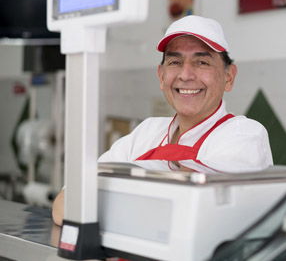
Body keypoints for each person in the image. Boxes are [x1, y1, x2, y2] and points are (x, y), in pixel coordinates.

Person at [52, 15, 273, 226]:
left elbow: (199, 216)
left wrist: (110, 188)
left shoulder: (245, 134)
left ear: (228, 76)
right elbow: (66, 205)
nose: (185, 75)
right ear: (161, 76)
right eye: (175, 62)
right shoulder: (146, 132)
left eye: (202, 62)